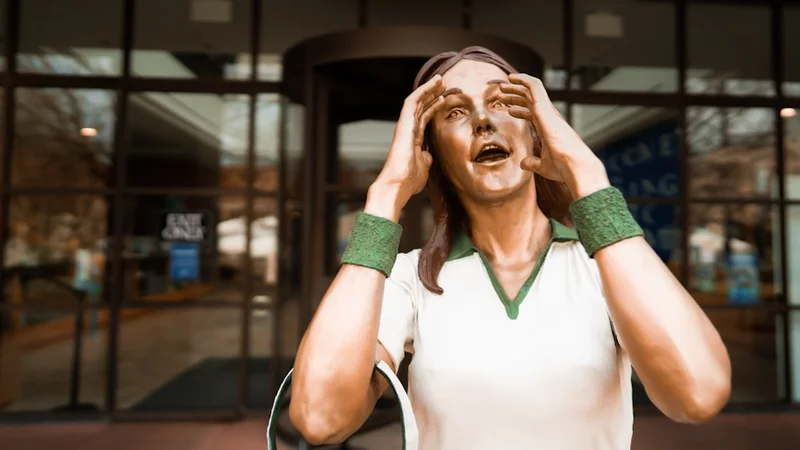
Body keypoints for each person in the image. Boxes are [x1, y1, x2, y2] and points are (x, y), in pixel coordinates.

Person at [287, 46, 731, 449]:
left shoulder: (604, 268)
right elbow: (320, 418)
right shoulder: (411, 280)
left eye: (503, 103)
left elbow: (698, 394)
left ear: (537, 133)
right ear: (434, 153)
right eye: (455, 112)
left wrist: (589, 176)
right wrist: (386, 193)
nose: (483, 119)